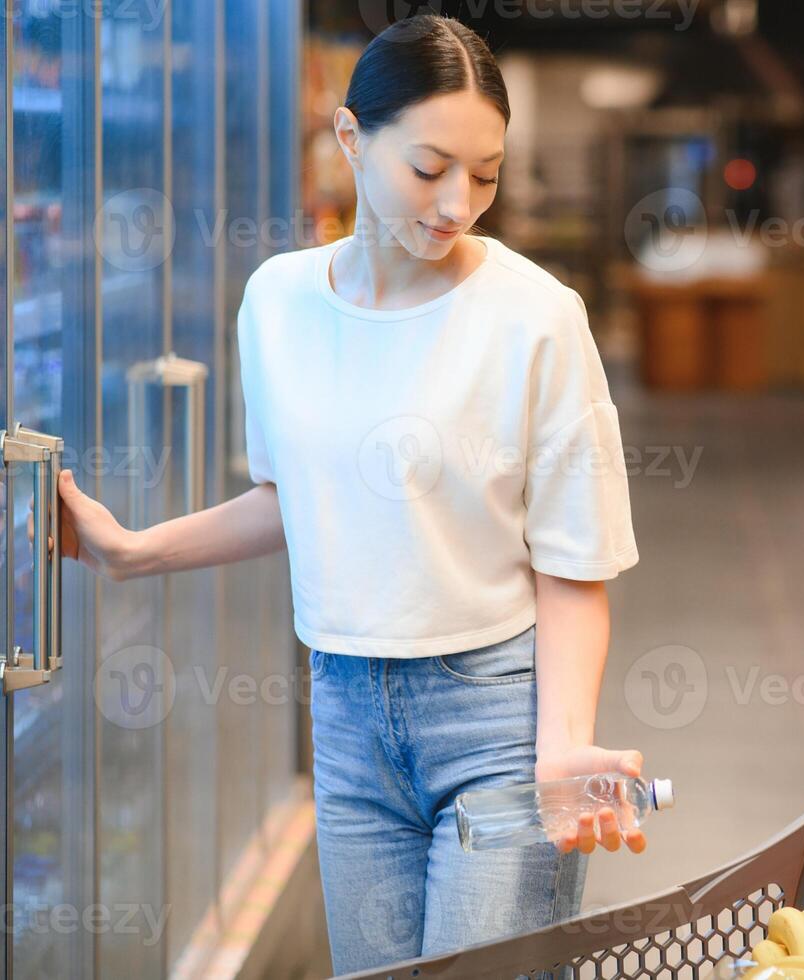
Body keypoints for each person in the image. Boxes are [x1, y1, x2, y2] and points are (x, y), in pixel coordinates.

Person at [53, 13, 642, 974]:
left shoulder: (537, 318)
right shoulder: (277, 303)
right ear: (350, 138)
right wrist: (134, 552)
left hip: (492, 719)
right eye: (430, 168)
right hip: (344, 714)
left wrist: (561, 748)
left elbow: (575, 566)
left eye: (485, 175)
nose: (459, 203)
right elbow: (307, 500)